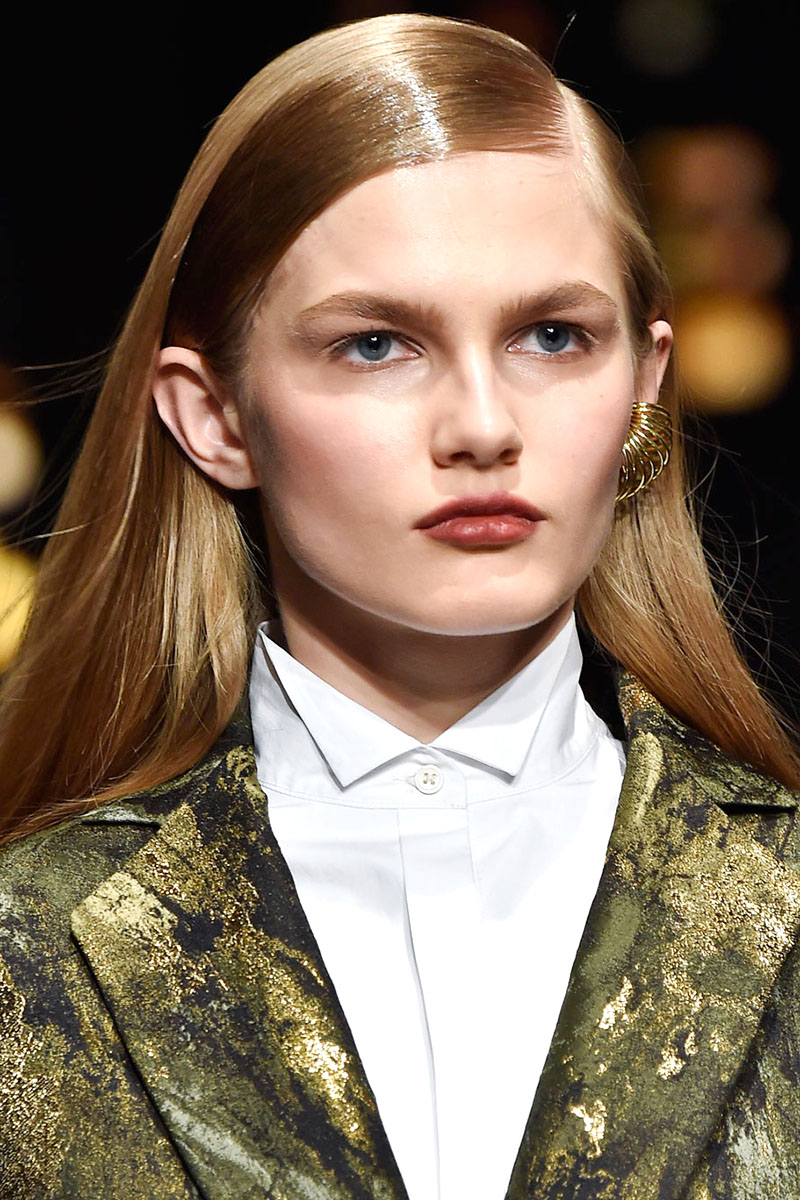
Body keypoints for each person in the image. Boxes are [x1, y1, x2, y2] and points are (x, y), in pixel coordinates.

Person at [1, 13, 799, 1200]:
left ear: (642, 383)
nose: (480, 426)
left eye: (551, 336)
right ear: (214, 417)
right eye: (376, 345)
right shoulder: (27, 952)